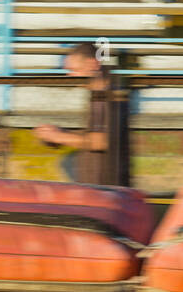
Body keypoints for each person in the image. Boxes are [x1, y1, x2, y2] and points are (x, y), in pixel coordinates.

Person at [33, 41, 131, 186]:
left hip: (105, 185)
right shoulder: (99, 94)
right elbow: (97, 135)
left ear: (93, 65)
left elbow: (101, 141)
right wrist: (61, 134)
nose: (69, 75)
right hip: (100, 180)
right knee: (68, 162)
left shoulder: (106, 96)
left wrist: (59, 137)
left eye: (73, 70)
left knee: (69, 163)